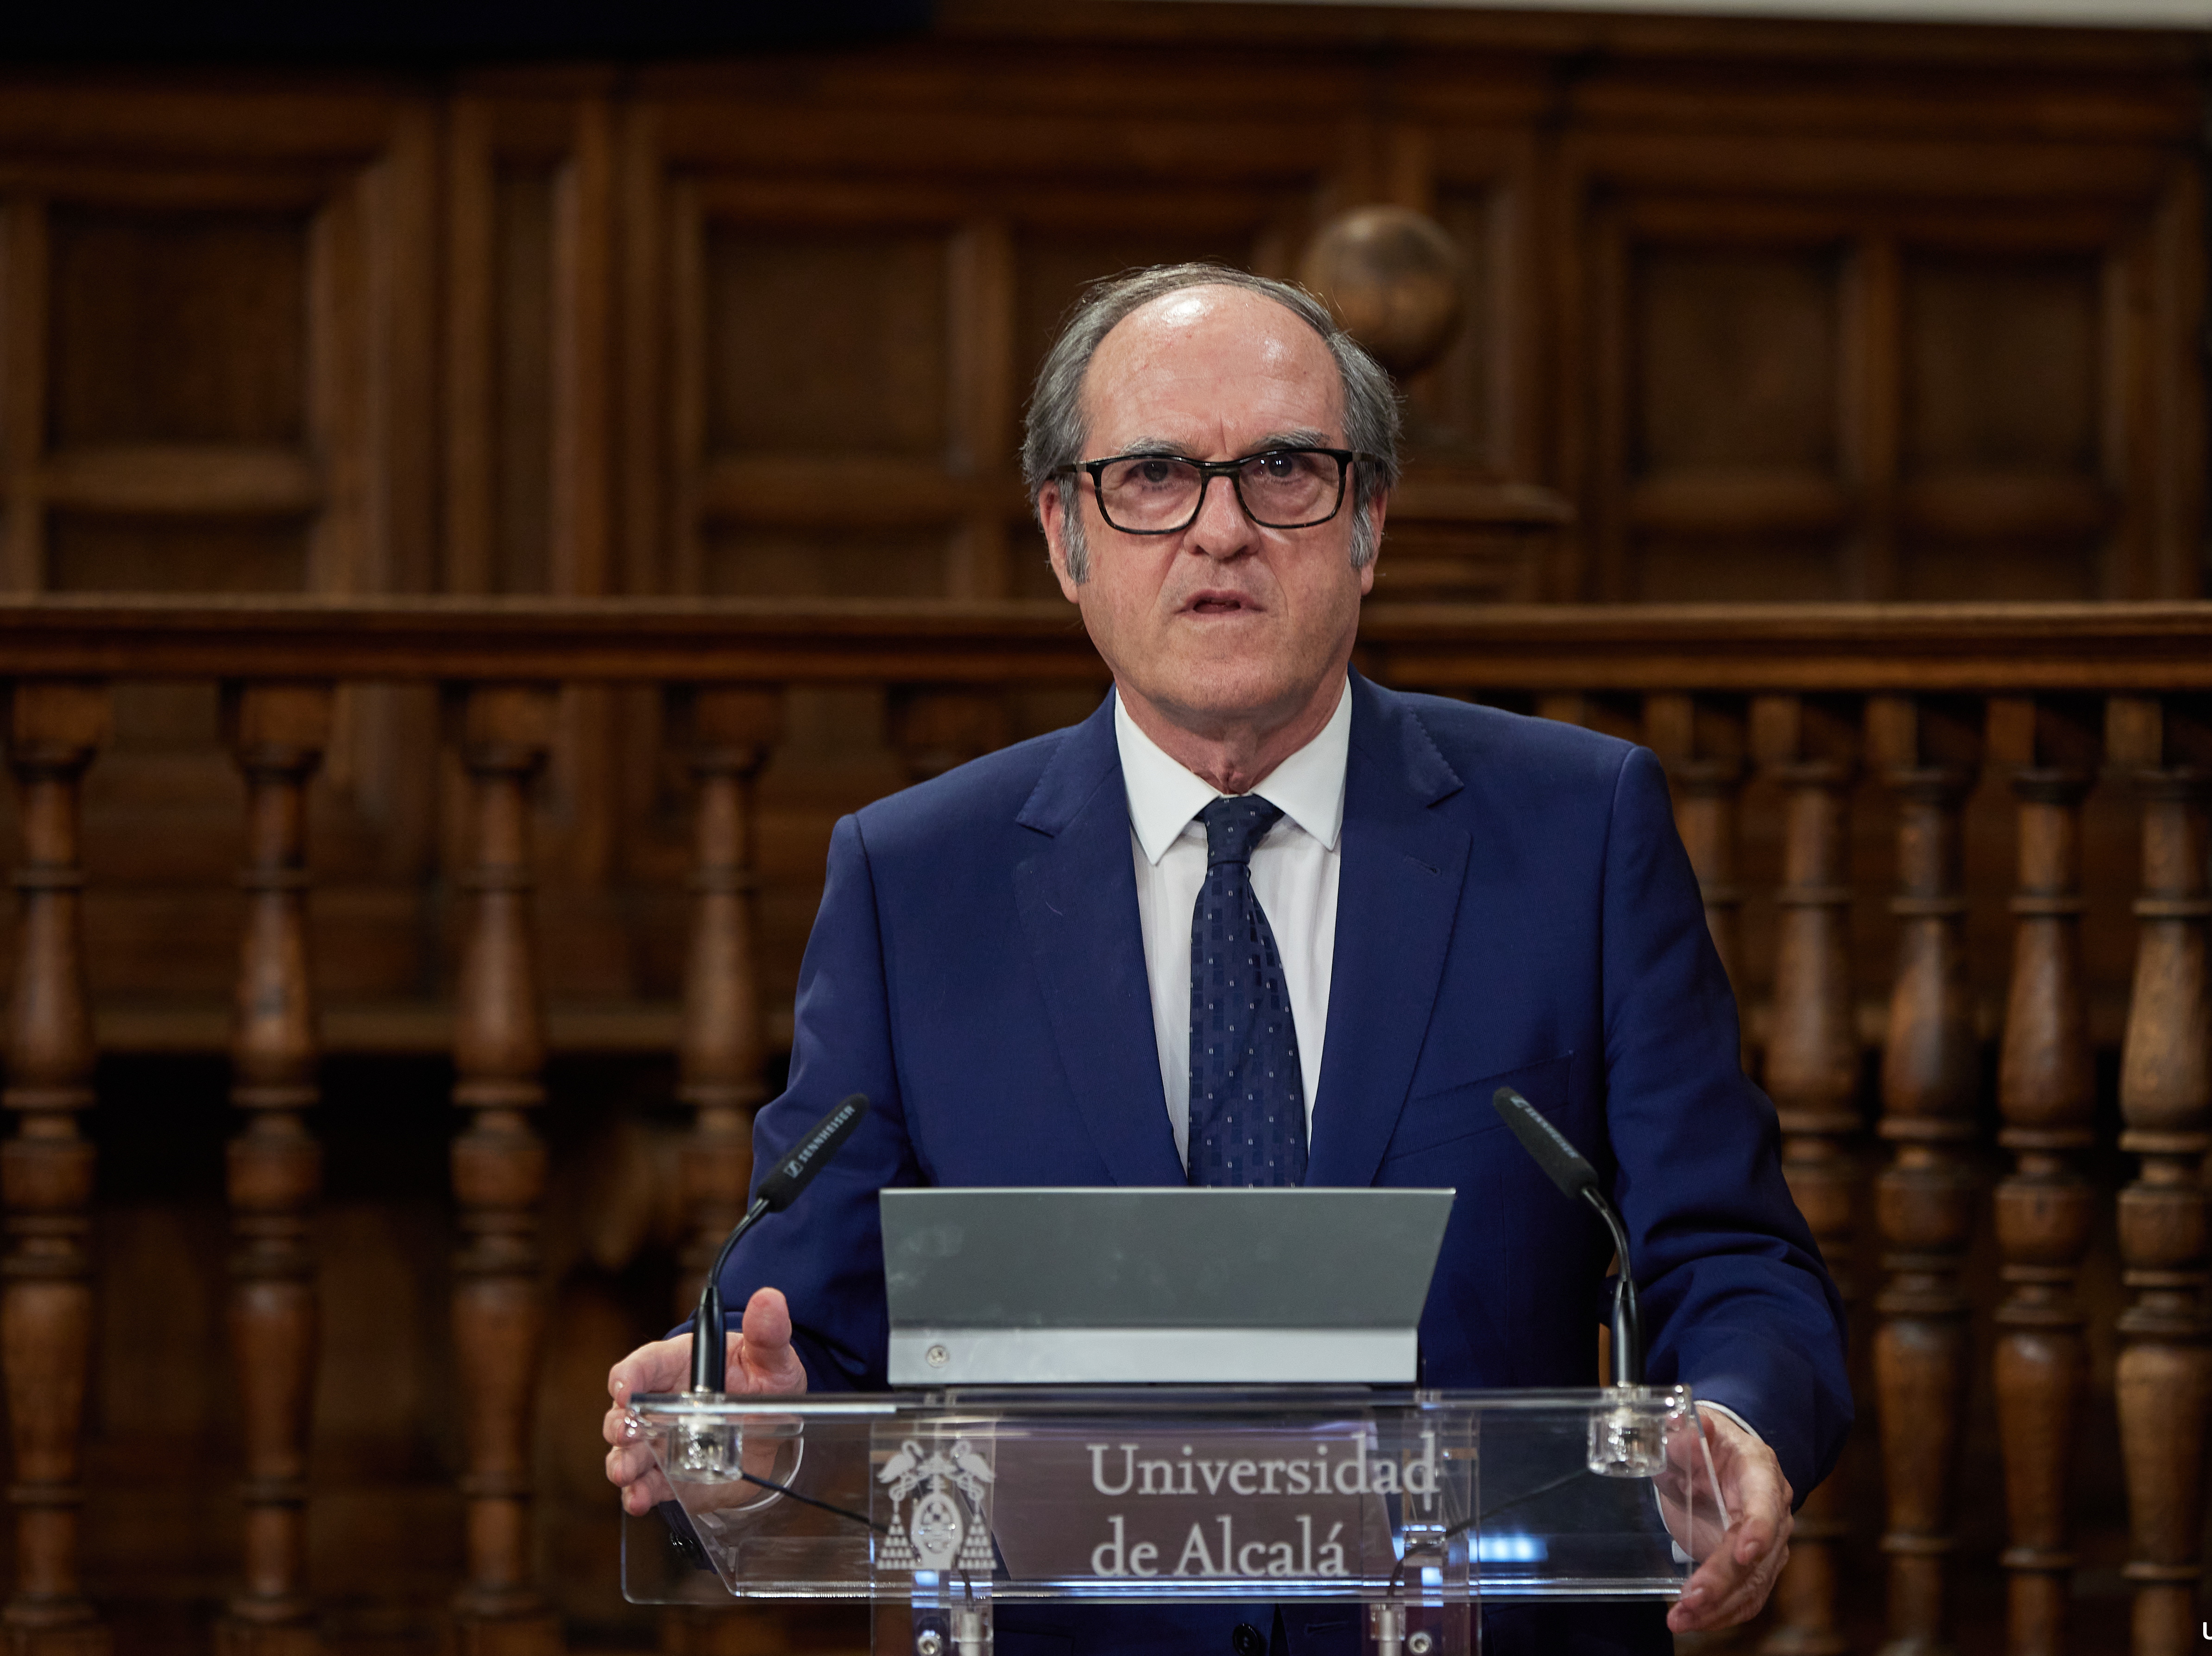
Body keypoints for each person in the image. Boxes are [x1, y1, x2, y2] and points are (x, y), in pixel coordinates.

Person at [605, 263, 1850, 1653]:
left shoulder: (1576, 832)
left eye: (1283, 471)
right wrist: (758, 1401)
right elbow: (813, 1309)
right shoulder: (916, 879)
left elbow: (1730, 1253)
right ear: (1066, 537)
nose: (1221, 532)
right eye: (1151, 476)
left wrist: (1736, 1420)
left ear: (1368, 524)